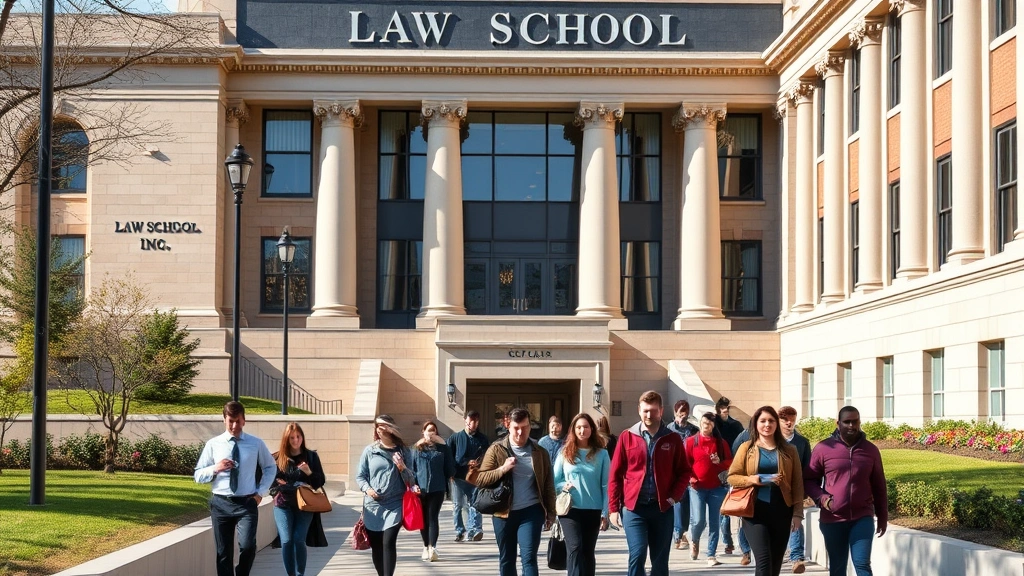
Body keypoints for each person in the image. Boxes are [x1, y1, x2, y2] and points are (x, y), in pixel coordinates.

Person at [608, 390, 691, 576]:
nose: (649, 415)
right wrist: (613, 508)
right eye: (645, 410)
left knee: (660, 561)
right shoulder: (627, 437)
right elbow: (615, 474)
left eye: (653, 410)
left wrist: (674, 497)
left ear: (661, 411)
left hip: (662, 508)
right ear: (639, 410)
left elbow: (684, 471)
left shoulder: (672, 438)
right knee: (637, 555)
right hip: (634, 508)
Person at [469, 407, 556, 576]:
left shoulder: (540, 452)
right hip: (503, 514)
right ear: (508, 426)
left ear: (530, 427)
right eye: (516, 428)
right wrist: (503, 469)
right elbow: (480, 479)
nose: (520, 432)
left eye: (524, 427)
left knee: (529, 558)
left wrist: (551, 512)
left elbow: (548, 484)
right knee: (507, 558)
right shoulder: (496, 449)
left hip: (531, 512)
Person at [194, 401, 277, 576]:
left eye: (238, 421)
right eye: (230, 421)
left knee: (248, 547)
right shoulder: (213, 444)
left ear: (244, 420)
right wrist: (215, 468)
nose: (234, 426)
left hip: (247, 503)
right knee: (223, 553)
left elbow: (270, 467)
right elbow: (198, 475)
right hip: (221, 503)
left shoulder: (256, 444)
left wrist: (260, 492)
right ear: (224, 420)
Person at [804, 406, 887, 576]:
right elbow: (809, 479)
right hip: (833, 518)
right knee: (838, 566)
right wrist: (823, 498)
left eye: (854, 421)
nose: (851, 425)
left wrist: (882, 517)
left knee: (862, 564)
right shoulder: (824, 448)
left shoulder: (870, 450)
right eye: (847, 421)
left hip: (862, 517)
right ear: (838, 423)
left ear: (859, 422)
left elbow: (879, 485)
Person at [727, 406, 804, 576]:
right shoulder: (747, 448)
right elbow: (732, 476)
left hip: (782, 511)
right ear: (756, 424)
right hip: (754, 512)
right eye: (763, 421)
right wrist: (751, 479)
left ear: (777, 424)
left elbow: (797, 484)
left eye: (771, 421)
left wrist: (798, 514)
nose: (767, 424)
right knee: (764, 562)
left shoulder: (790, 450)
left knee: (775, 565)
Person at [356, 415, 420, 576]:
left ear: (391, 428)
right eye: (377, 426)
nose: (380, 429)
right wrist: (368, 489)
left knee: (388, 542)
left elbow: (412, 479)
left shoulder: (403, 451)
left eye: (383, 425)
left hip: (395, 504)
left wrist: (402, 467)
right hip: (373, 505)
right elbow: (360, 476)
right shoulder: (370, 450)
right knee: (377, 546)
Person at [553, 413, 610, 576]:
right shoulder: (565, 452)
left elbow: (606, 485)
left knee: (587, 551)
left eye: (585, 427)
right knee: (575, 547)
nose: (582, 430)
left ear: (592, 429)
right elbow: (555, 480)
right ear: (573, 430)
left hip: (593, 509)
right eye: (578, 427)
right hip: (570, 509)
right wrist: (564, 485)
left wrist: (605, 512)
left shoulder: (602, 454)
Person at [270, 422, 327, 576]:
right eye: (291, 438)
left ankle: (300, 573)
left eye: (298, 437)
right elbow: (272, 484)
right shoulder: (277, 458)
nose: (295, 441)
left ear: (302, 437)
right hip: (283, 505)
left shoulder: (311, 457)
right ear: (286, 439)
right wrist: (290, 486)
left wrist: (308, 472)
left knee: (298, 539)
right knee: (287, 540)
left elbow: (319, 482)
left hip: (305, 504)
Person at [685, 412, 733, 567]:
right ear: (700, 423)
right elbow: (684, 464)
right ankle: (695, 539)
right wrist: (691, 478)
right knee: (698, 520)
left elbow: (730, 463)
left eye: (710, 424)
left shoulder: (721, 443)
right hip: (697, 487)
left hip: (717, 488)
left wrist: (719, 462)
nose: (707, 426)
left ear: (713, 426)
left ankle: (711, 554)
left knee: (714, 523)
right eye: (704, 422)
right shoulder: (691, 442)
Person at [412, 420, 455, 562]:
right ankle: (425, 546)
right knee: (423, 519)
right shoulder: (417, 449)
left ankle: (433, 547)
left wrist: (444, 444)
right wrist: (414, 485)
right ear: (423, 432)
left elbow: (450, 470)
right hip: (421, 489)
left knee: (433, 517)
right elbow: (412, 470)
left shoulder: (442, 449)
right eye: (428, 430)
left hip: (437, 488)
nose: (431, 433)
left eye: (433, 430)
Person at [777, 406, 811, 573]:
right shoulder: (771, 440)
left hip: (795, 489)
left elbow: (808, 467)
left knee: (795, 520)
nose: (789, 423)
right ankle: (780, 552)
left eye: (792, 419)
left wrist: (807, 490)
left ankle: (797, 557)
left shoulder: (802, 442)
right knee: (777, 523)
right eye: (785, 420)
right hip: (774, 489)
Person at [447, 410, 490, 542]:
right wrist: (451, 472)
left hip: (476, 477)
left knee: (475, 503)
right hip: (459, 476)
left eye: (476, 421)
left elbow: (488, 457)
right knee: (458, 505)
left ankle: (475, 530)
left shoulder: (482, 439)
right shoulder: (455, 438)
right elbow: (449, 457)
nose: (474, 424)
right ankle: (460, 531)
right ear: (465, 420)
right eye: (471, 421)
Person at [714, 396, 744, 554]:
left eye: (726, 407)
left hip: (732, 467)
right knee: (723, 507)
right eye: (721, 408)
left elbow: (741, 446)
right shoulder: (713, 426)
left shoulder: (736, 425)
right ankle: (727, 540)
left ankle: (730, 540)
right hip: (718, 468)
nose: (724, 410)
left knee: (729, 506)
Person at [667, 399, 699, 550]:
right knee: (678, 503)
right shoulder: (669, 429)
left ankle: (684, 533)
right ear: (675, 413)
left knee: (687, 505)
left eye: (684, 415)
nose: (681, 418)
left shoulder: (693, 430)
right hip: (674, 471)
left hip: (690, 471)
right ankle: (677, 534)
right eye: (679, 414)